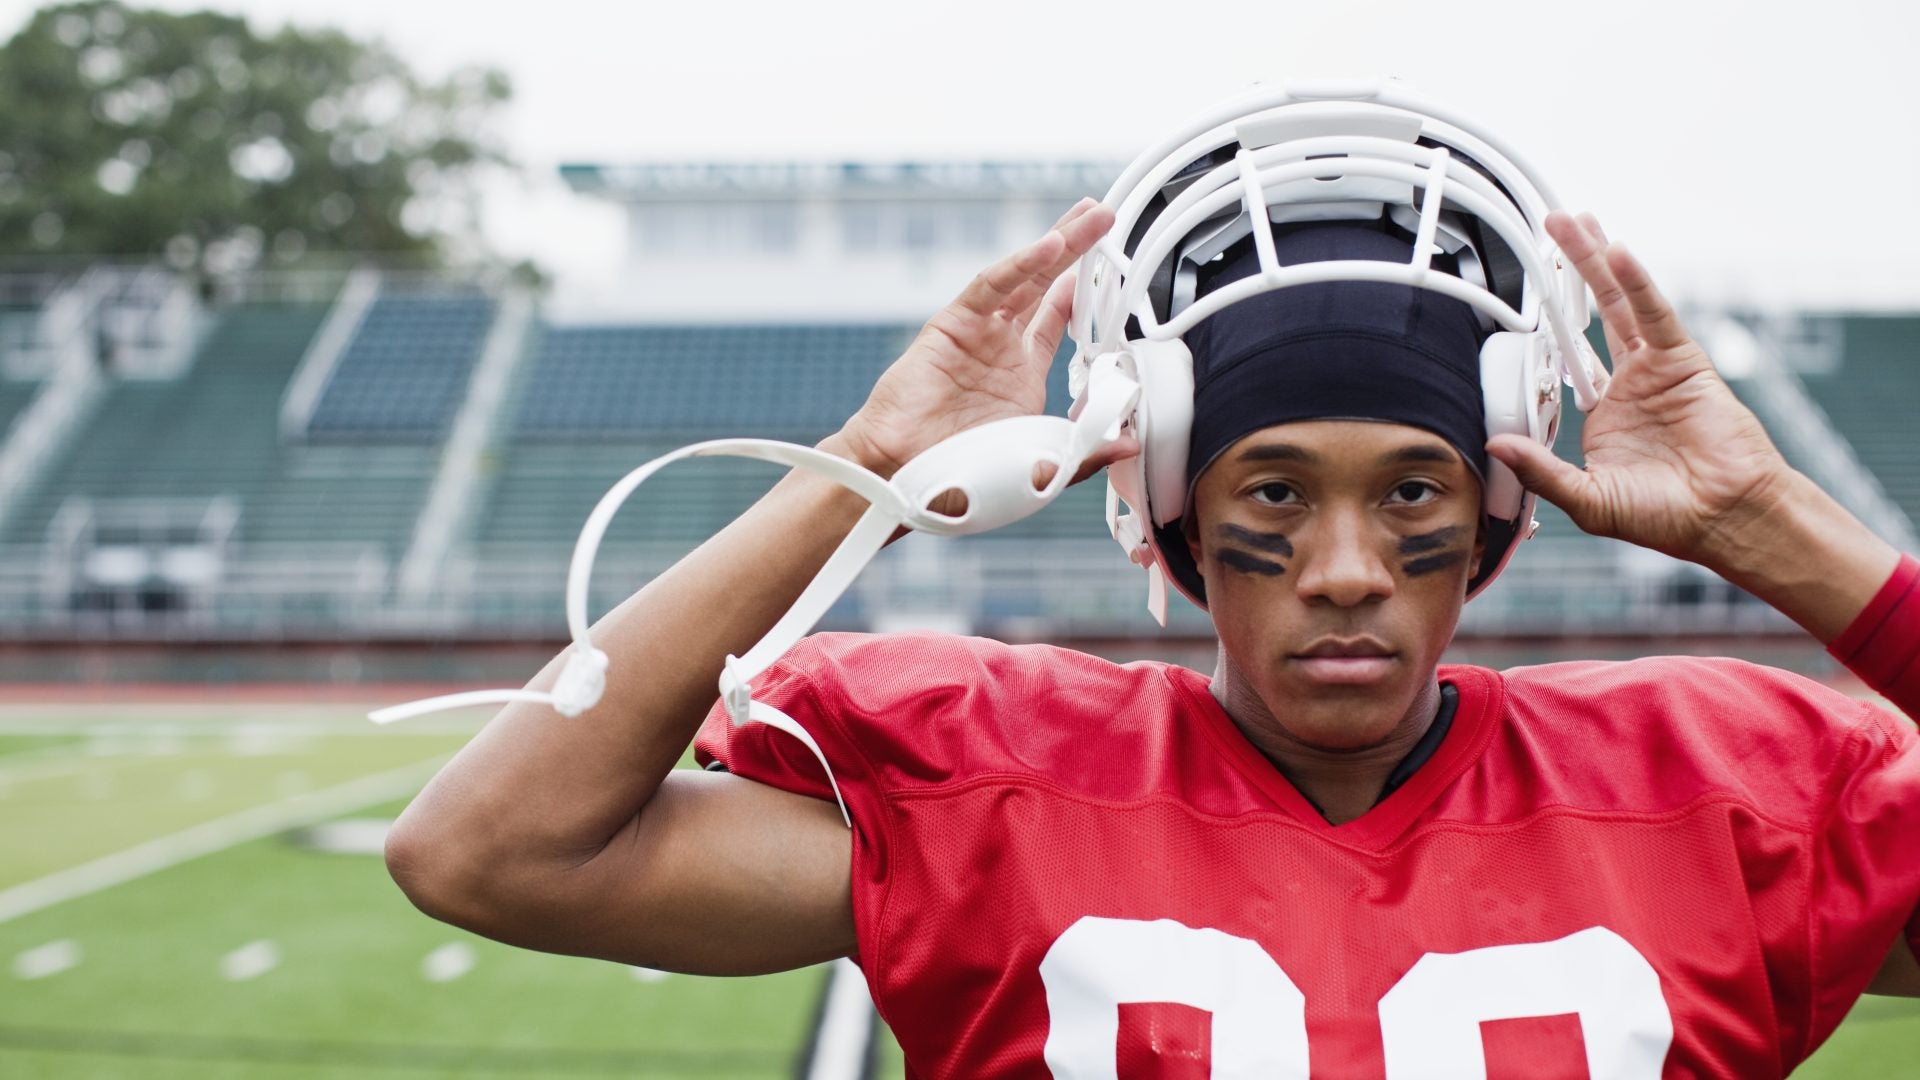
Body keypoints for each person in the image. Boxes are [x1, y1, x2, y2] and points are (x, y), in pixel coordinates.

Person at [384, 147, 1920, 1075]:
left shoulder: (1725, 792)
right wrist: (863, 468)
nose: (1341, 568)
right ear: (1173, 511)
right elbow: (487, 851)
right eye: (1271, 494)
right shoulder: (995, 779)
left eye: (1410, 494)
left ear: (1496, 511)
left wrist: (1773, 527)